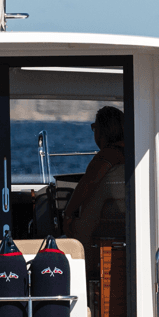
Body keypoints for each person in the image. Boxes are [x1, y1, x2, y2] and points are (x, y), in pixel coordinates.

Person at [62, 106, 126, 250]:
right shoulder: (134, 155)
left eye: (94, 127)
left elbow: (87, 185)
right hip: (125, 227)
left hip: (97, 232)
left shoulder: (106, 156)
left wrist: (67, 214)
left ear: (103, 130)